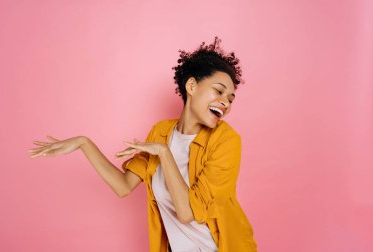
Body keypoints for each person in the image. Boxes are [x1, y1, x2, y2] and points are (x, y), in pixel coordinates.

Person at [28, 36, 257, 252]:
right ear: (192, 86)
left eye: (230, 98)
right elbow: (123, 186)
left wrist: (164, 153)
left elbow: (187, 213)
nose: (225, 103)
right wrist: (84, 143)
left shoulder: (226, 141)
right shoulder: (161, 132)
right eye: (219, 91)